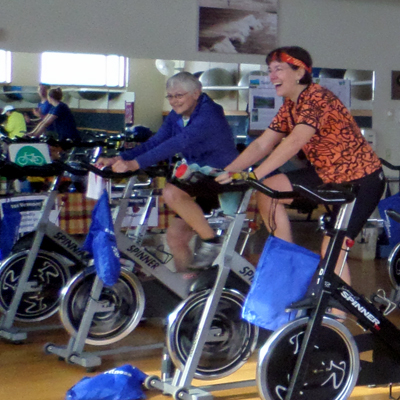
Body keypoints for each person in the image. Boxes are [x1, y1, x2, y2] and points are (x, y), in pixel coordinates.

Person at [217, 46, 385, 288]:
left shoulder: (318, 98)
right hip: (327, 174)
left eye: (278, 69)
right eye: (269, 70)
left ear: (299, 72)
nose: (271, 76)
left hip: (361, 179)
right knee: (267, 192)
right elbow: (262, 145)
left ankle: (337, 317)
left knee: (332, 248)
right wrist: (228, 173)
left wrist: (252, 175)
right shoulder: (289, 106)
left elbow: (295, 141)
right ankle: (288, 264)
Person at [97, 71, 241, 272]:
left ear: (196, 93)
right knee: (175, 237)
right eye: (170, 96)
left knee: (172, 192)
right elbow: (156, 142)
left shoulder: (210, 112)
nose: (174, 101)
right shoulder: (177, 115)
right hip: (201, 179)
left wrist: (136, 164)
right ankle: (187, 287)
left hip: (223, 178)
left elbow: (179, 142)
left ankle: (211, 241)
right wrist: (120, 158)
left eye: (179, 95)